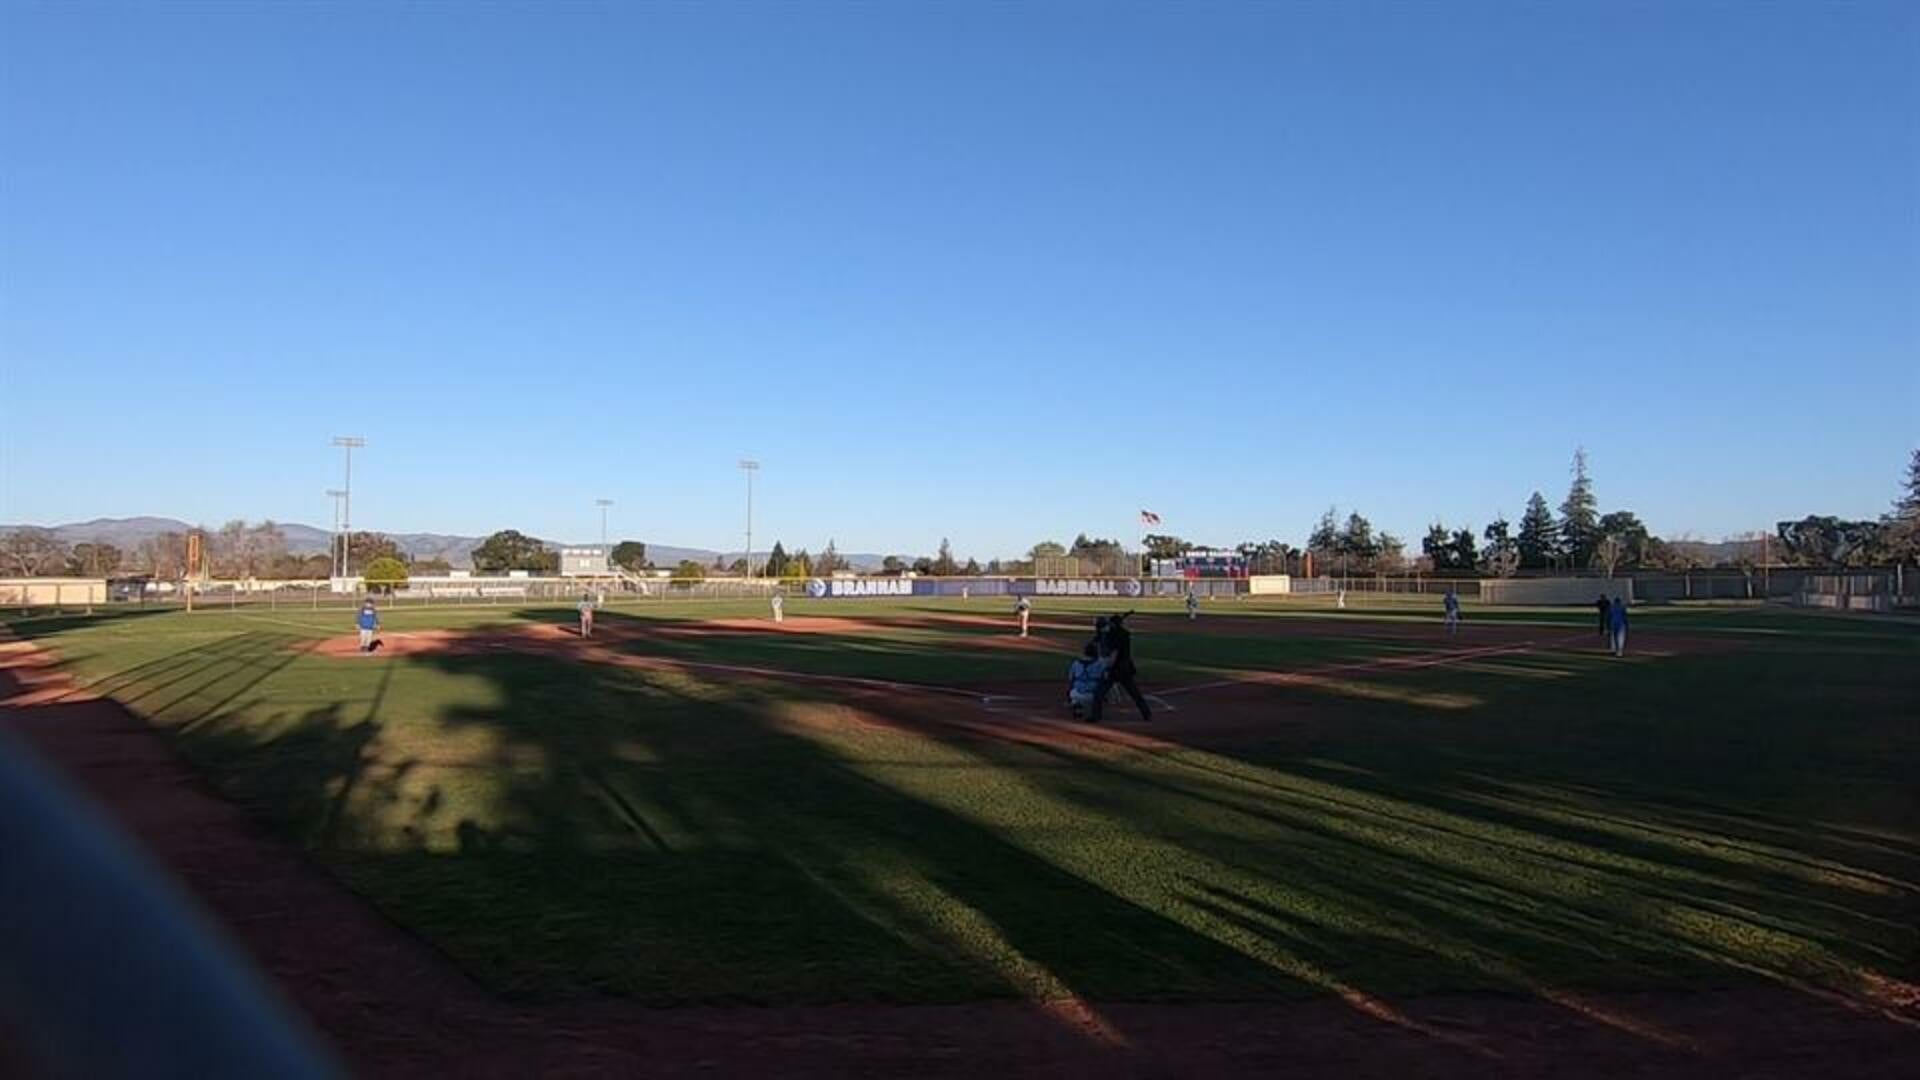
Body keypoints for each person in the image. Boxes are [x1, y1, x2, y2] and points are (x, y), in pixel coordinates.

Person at [1089, 611, 1151, 724]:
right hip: (1126, 667)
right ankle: (1147, 714)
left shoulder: (1112, 635)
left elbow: (1114, 653)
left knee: (1099, 693)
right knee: (1134, 693)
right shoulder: (1125, 633)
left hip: (1115, 668)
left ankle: (1095, 716)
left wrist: (1108, 668)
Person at [1066, 643, 1108, 719]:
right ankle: (1094, 710)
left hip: (1075, 694)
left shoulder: (1076, 663)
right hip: (1092, 696)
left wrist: (1068, 696)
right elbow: (1105, 679)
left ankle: (1076, 704)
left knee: (1075, 689)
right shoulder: (1100, 664)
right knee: (1100, 686)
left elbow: (1070, 680)